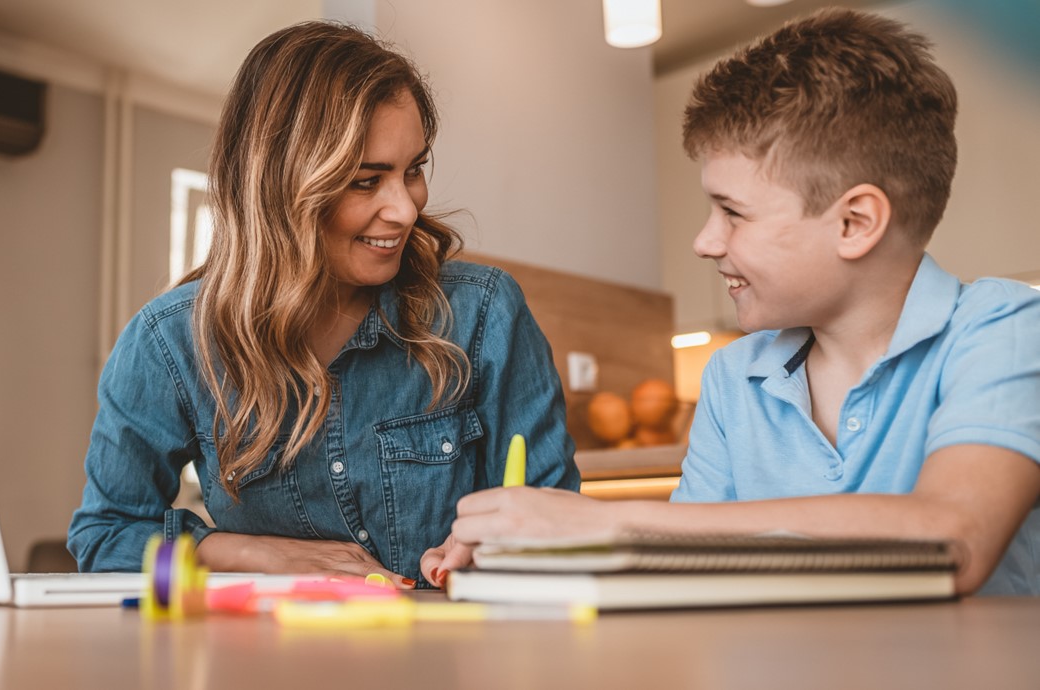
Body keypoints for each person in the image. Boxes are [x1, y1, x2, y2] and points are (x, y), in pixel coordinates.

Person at [425, 8, 1040, 595]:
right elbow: (684, 567)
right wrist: (532, 550)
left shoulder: (1004, 329)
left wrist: (612, 521)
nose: (704, 240)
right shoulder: (734, 376)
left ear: (855, 222)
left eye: (732, 212)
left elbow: (955, 538)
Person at [68, 21, 578, 585]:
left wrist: (500, 550)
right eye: (366, 181)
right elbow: (107, 534)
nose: (405, 210)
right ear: (281, 188)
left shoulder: (484, 313)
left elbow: (559, 525)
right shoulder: (170, 342)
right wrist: (255, 553)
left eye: (413, 171)